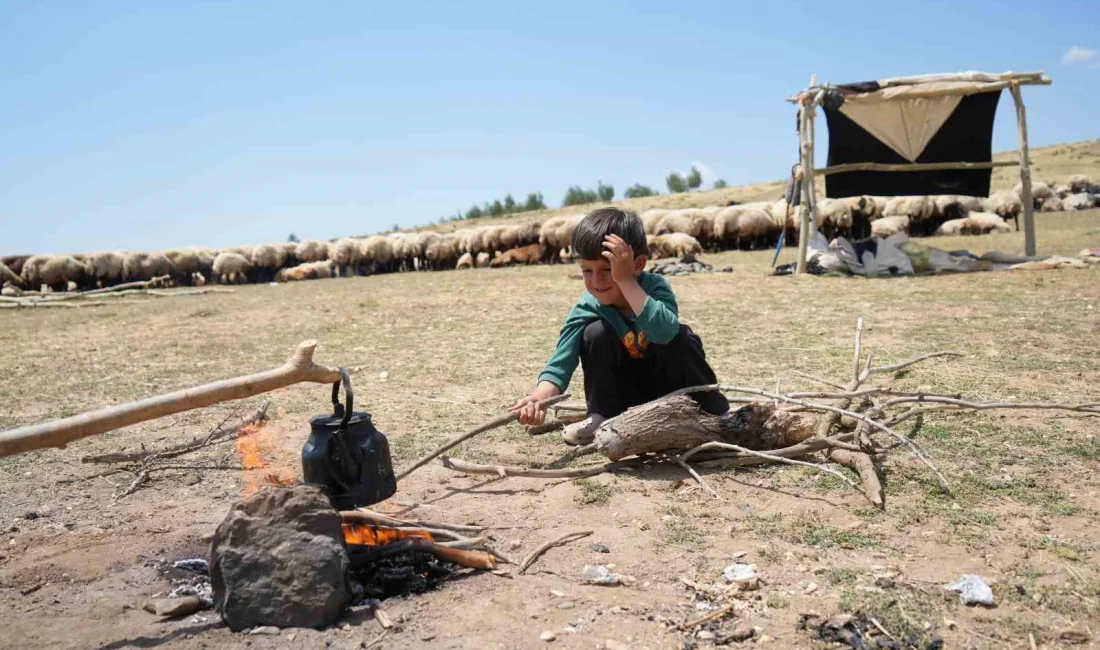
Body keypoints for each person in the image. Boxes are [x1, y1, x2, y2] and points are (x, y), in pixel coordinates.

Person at [513, 207, 729, 444]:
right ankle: (603, 416)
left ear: (638, 264)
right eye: (587, 270)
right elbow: (561, 361)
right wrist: (539, 398)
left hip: (670, 393)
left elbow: (664, 331)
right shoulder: (588, 305)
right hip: (624, 398)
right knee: (594, 333)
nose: (596, 281)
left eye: (607, 269)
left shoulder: (656, 288)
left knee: (681, 336)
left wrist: (625, 281)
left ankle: (715, 413)